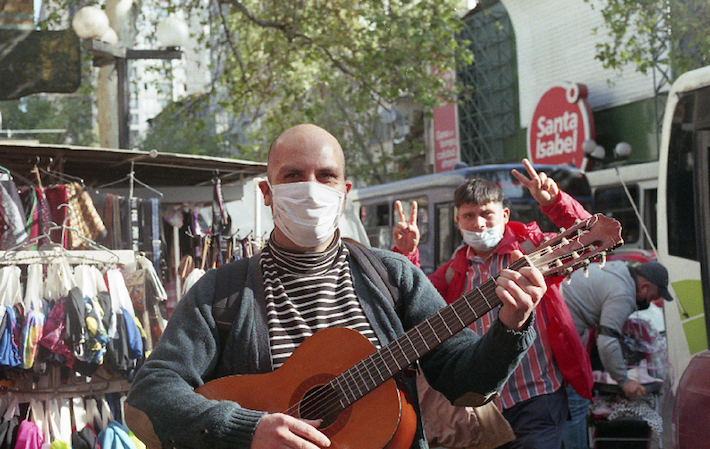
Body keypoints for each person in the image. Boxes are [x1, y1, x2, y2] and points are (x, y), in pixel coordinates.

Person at [124, 124, 548, 449]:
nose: (310, 188)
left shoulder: (394, 276)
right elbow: (151, 391)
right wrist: (246, 429)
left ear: (344, 192)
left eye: (325, 176)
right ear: (267, 193)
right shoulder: (220, 292)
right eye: (293, 175)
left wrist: (511, 326)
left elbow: (463, 382)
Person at [393, 160, 594, 449]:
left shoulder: (533, 251)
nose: (479, 223)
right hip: (484, 409)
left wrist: (555, 203)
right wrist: (406, 255)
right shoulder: (452, 272)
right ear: (458, 221)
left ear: (505, 214)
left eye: (487, 214)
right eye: (469, 216)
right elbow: (412, 307)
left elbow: (591, 237)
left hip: (538, 396)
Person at [560, 259, 673, 449]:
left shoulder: (619, 269)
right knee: (576, 402)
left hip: (558, 319)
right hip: (559, 328)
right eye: (652, 297)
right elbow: (607, 341)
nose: (652, 302)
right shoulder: (624, 294)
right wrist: (624, 381)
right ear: (644, 286)